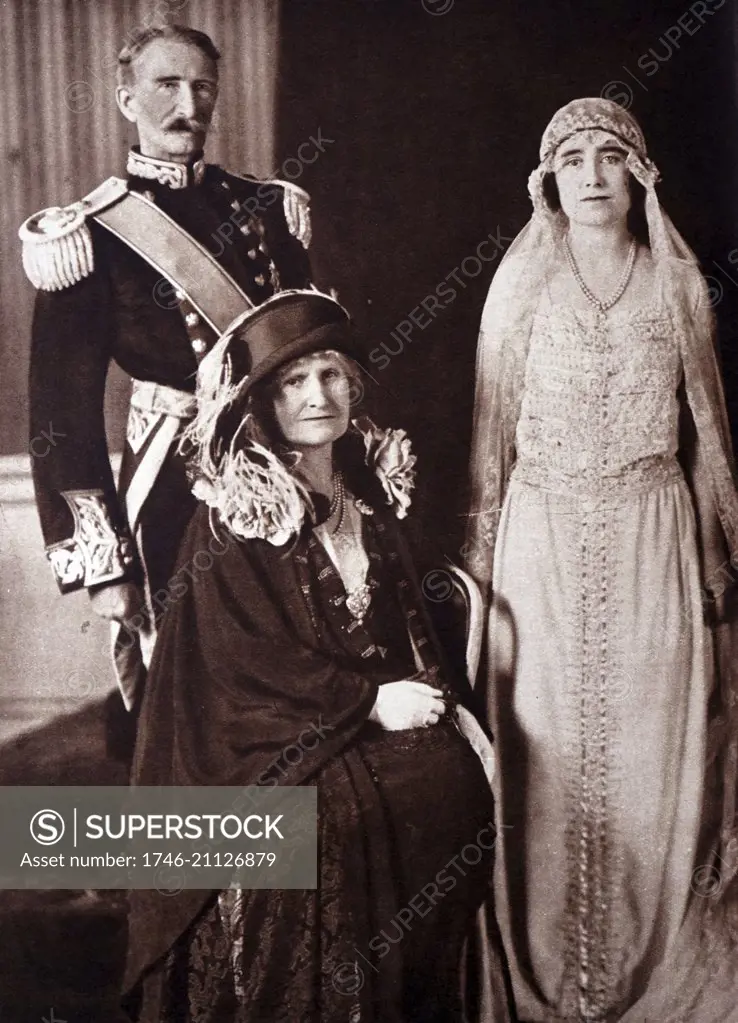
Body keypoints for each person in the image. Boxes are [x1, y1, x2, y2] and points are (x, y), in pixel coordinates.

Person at [121, 289, 503, 1023]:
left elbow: (408, 626)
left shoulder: (366, 494)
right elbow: (244, 661)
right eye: (294, 382)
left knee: (447, 776)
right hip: (244, 741)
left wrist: (437, 696)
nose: (317, 395)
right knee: (322, 820)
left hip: (343, 721)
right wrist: (369, 702)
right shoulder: (237, 512)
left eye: (330, 375)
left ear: (353, 386)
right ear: (264, 401)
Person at [465, 97, 738, 1022]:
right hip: (538, 545)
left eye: (610, 156)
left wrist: (709, 561)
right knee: (542, 761)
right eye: (571, 157)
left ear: (639, 176)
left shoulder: (679, 288)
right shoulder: (519, 290)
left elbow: (703, 439)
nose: (591, 173)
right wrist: (480, 582)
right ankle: (544, 973)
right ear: (548, 179)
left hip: (652, 538)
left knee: (653, 756)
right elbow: (489, 451)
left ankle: (648, 969)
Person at [20, 23, 312, 743]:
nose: (190, 103)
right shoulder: (92, 234)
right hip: (174, 489)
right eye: (167, 85)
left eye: (203, 85)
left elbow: (309, 355)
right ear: (127, 99)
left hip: (280, 467)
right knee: (189, 699)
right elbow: (63, 417)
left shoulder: (269, 210)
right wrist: (104, 566)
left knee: (290, 680)